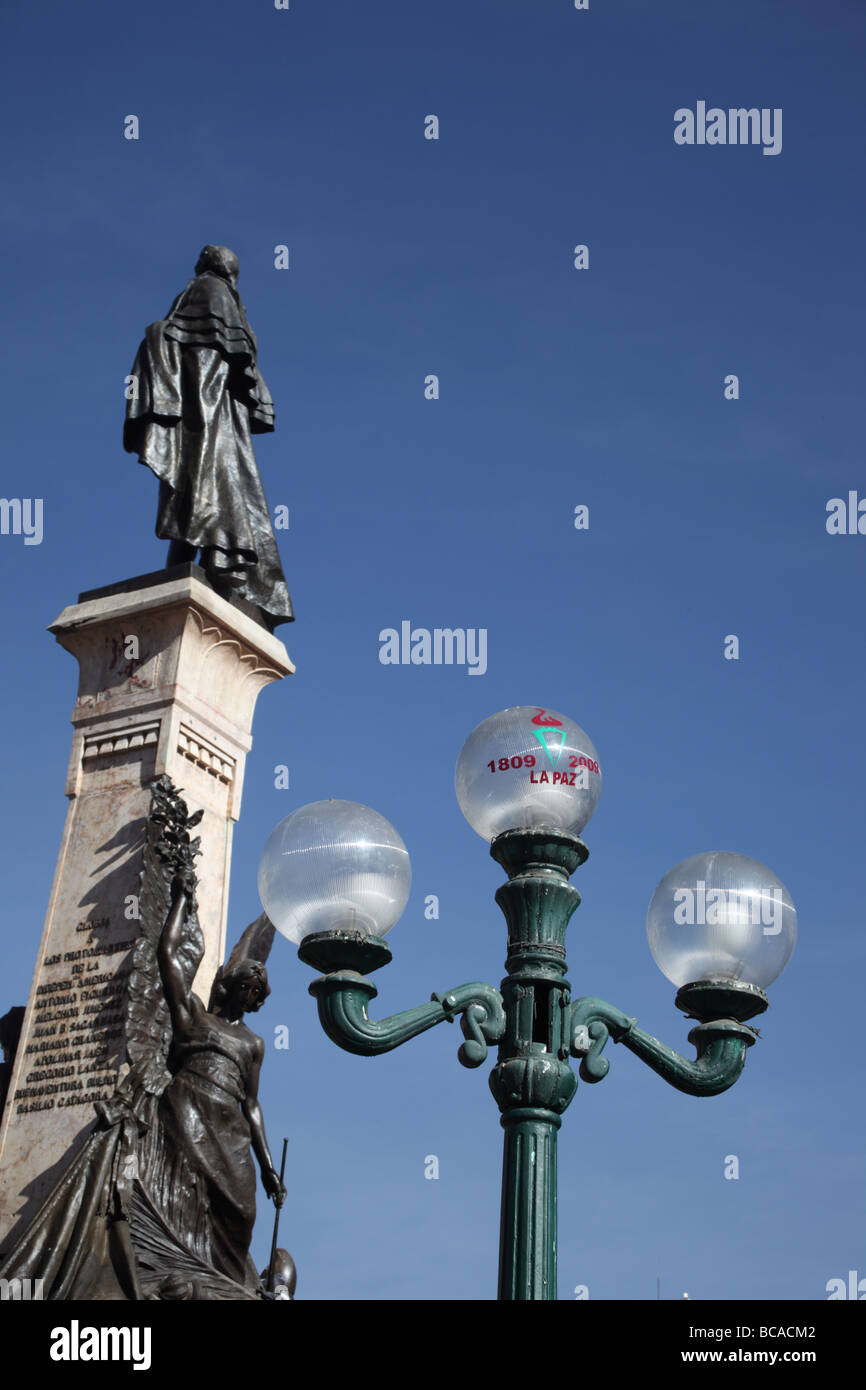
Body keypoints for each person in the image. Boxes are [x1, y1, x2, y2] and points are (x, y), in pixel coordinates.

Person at [124, 245, 293, 630]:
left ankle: (198, 564)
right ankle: (201, 564)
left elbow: (214, 353)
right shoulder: (218, 294)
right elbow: (239, 361)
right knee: (205, 491)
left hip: (207, 416)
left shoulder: (201, 292)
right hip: (208, 417)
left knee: (200, 489)